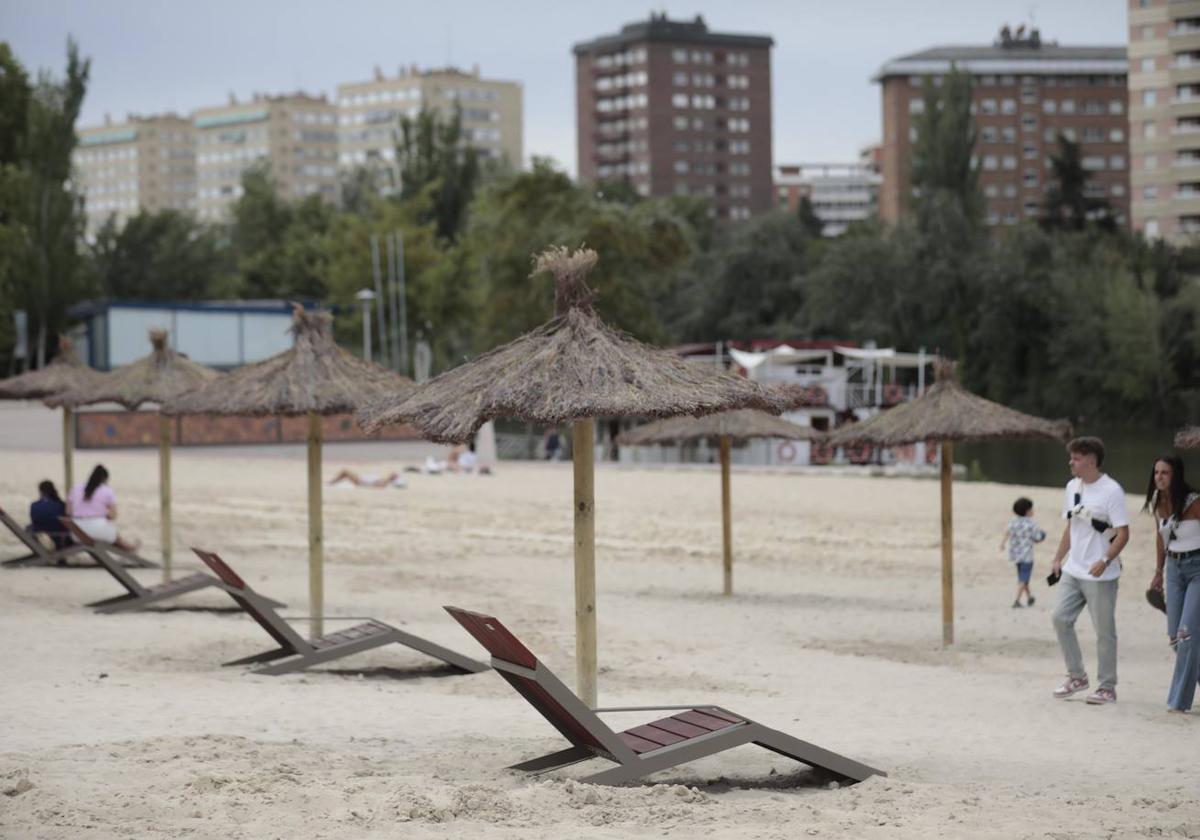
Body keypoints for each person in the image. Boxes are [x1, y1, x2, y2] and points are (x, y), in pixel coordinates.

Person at [1049, 437, 1130, 705]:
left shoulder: (1112, 491)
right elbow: (1071, 527)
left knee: (1104, 632)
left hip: (1101, 575)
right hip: (1073, 570)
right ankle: (1077, 676)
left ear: (1092, 461)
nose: (1070, 462)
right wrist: (1058, 558)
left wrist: (1105, 560)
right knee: (1060, 618)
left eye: (1076, 458)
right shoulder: (1072, 486)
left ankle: (1107, 687)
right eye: (1071, 457)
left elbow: (1123, 534)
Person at [1144, 455, 1200, 713]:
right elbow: (1161, 537)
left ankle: (1178, 703)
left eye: (1164, 473)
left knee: (1186, 634)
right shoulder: (1157, 502)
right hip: (1174, 570)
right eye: (1156, 473)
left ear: (1175, 475)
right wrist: (1158, 571)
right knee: (1175, 639)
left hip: (1197, 568)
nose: (1159, 477)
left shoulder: (1194, 502)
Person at [66, 465, 140, 551]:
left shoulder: (76, 488)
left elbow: (68, 512)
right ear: (105, 479)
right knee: (112, 534)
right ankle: (130, 548)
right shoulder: (107, 491)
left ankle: (129, 547)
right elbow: (113, 516)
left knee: (109, 532)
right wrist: (103, 513)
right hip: (99, 530)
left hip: (76, 532)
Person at [1001, 496, 1045, 609]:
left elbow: (1008, 533)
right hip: (1026, 555)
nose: (1033, 511)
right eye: (1031, 509)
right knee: (1024, 578)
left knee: (1022, 577)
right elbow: (1037, 538)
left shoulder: (1013, 522)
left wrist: (1002, 543)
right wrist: (1043, 536)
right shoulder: (1031, 524)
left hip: (1015, 554)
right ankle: (1017, 600)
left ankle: (1029, 597)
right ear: (1027, 511)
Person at [28, 480, 68, 550]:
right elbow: (65, 519)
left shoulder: (34, 505)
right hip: (59, 536)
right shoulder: (60, 504)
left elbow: (34, 520)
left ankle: (37, 551)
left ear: (40, 491)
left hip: (40, 533)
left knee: (28, 528)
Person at [327, 469, 405, 489]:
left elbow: (377, 485)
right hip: (361, 479)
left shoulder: (384, 482)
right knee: (345, 473)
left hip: (360, 481)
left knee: (345, 472)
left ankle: (332, 482)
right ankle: (333, 482)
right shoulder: (385, 481)